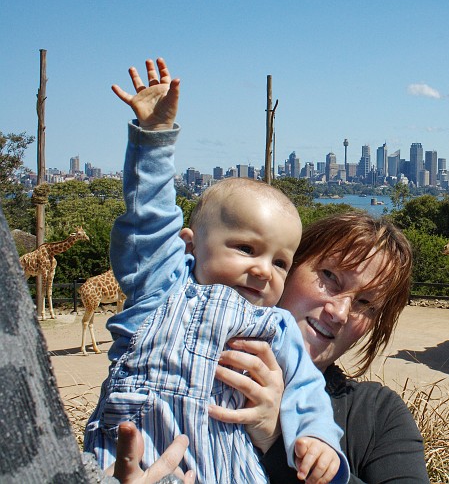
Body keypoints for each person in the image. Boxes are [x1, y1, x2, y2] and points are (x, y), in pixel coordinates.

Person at [84, 58, 346, 484]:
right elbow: (150, 217)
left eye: (281, 262)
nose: (264, 271)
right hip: (126, 466)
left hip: (229, 469)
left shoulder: (275, 326)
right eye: (246, 249)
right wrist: (154, 139)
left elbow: (305, 391)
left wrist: (317, 438)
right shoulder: (162, 286)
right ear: (190, 246)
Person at [209, 212, 431, 483]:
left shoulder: (377, 415)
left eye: (365, 304)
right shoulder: (179, 355)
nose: (339, 313)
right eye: (329, 276)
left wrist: (279, 438)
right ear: (289, 266)